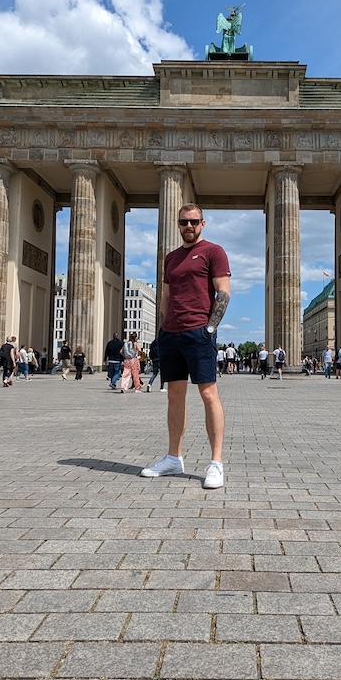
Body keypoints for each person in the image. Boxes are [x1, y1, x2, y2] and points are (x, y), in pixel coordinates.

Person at [141, 203, 231, 489]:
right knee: (174, 396)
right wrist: (164, 328)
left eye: (193, 222)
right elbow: (166, 295)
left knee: (208, 394)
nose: (188, 227)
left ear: (202, 223)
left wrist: (210, 328)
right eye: (183, 222)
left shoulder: (213, 252)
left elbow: (223, 293)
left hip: (198, 333)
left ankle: (216, 463)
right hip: (172, 333)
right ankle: (173, 457)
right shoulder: (171, 258)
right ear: (178, 225)